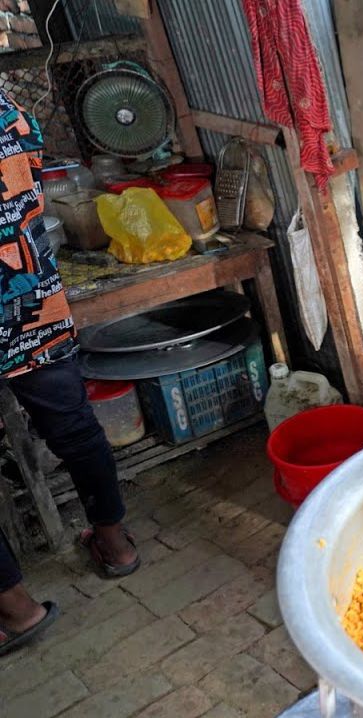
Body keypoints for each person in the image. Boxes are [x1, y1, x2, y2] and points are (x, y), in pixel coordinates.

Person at [0, 91, 138, 656]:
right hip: (29, 295)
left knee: (76, 430)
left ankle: (16, 609)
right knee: (76, 428)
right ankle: (116, 544)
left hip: (26, 294)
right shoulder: (5, 106)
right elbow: (32, 171)